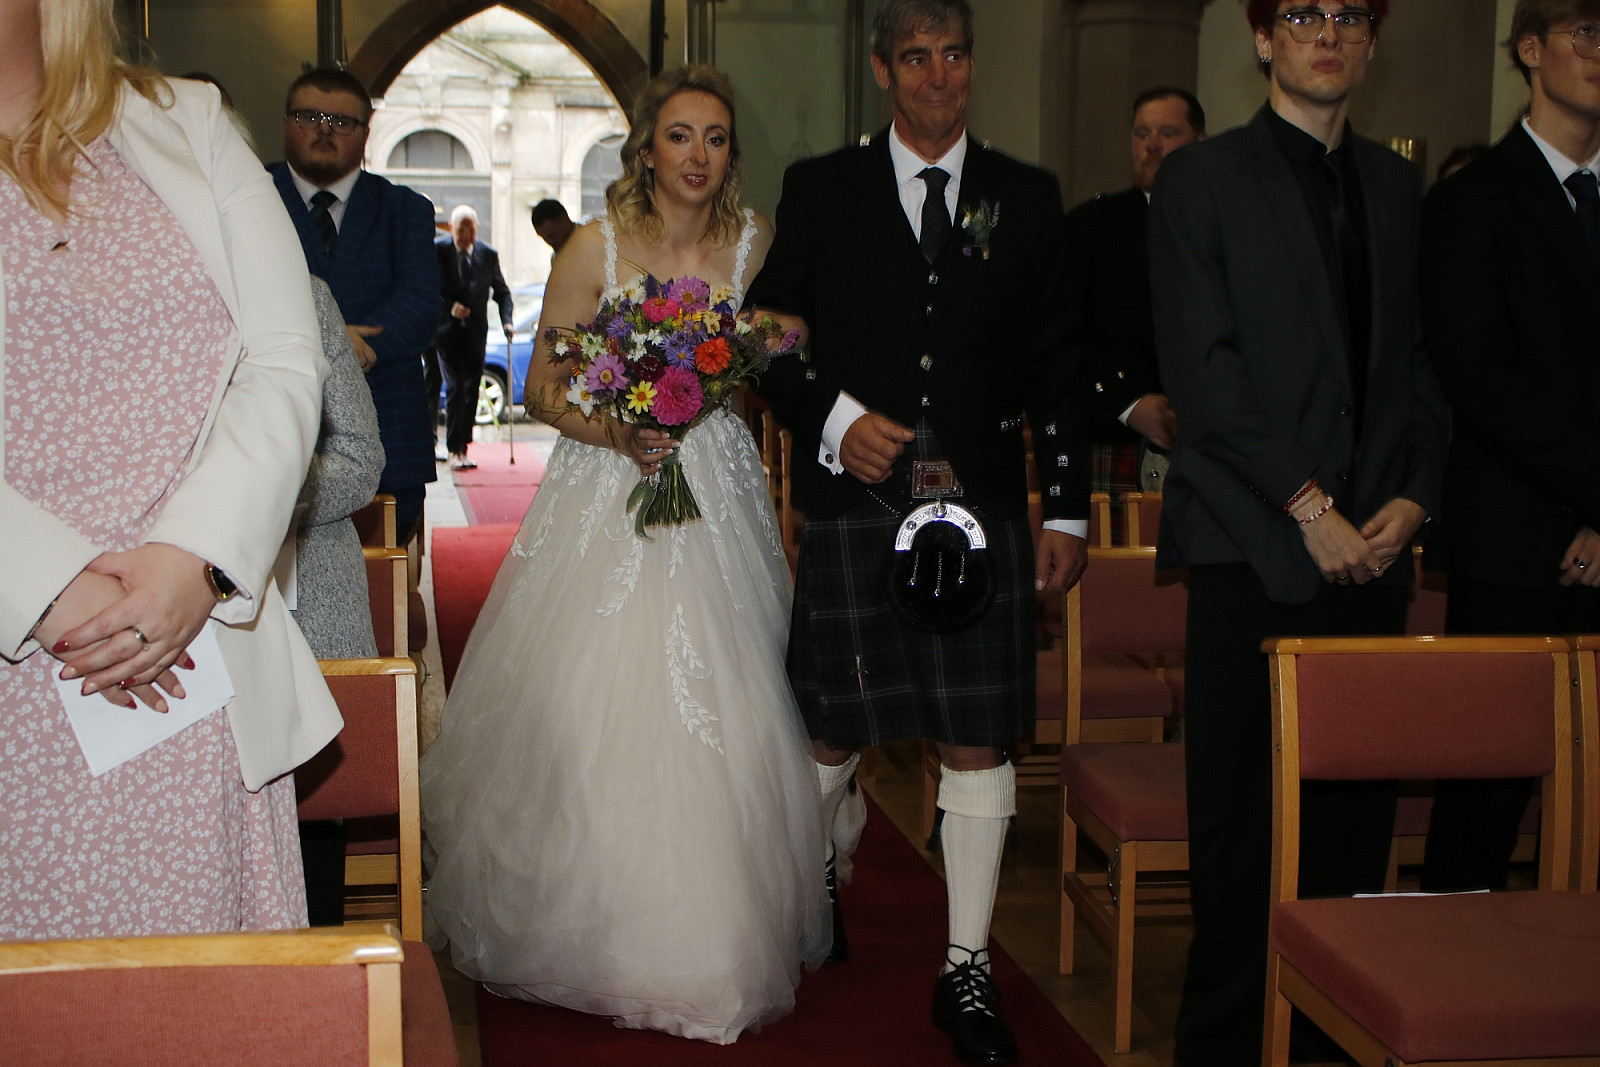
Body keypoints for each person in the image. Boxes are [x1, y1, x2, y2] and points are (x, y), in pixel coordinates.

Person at [419, 65, 830, 1044]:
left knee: (732, 690)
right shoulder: (595, 245)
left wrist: (765, 344)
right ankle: (593, 920)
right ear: (645, 149)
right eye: (679, 135)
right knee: (593, 694)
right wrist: (623, 430)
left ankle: (715, 929)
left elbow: (787, 347)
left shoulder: (757, 241)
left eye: (716, 138)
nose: (698, 155)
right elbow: (543, 388)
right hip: (609, 482)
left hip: (717, 482)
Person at [746, 2, 1088, 1062]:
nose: (938, 76)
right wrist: (834, 420)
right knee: (832, 725)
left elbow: (1057, 358)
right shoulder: (822, 187)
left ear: (969, 65)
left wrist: (1066, 505)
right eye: (916, 58)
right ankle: (810, 889)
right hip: (859, 500)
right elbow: (767, 336)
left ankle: (967, 965)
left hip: (978, 500)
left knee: (976, 730)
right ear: (884, 69)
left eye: (953, 56)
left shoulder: (1024, 195)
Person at [0, 0, 341, 940]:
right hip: (20, 654)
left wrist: (198, 558)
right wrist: (45, 585)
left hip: (191, 650)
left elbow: (284, 357)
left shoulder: (182, 122)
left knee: (194, 991)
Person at [1147, 2, 1448, 1063]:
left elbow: (1421, 363)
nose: (1329, 33)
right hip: (1252, 546)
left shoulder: (1396, 186)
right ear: (1264, 38)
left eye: (1349, 15)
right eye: (1304, 13)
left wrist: (1415, 498)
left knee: (1351, 837)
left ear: (1371, 41)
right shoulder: (1202, 177)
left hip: (1374, 552)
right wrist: (1308, 506)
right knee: (1242, 840)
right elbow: (1204, 375)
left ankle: (1328, 1046)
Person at [1419, 0, 1600, 893]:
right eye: (1586, 32)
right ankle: (1445, 966)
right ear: (1530, 48)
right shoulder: (1472, 198)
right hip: (1516, 543)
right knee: (1484, 798)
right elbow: (1482, 381)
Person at [268, 68, 438, 541]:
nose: (324, 131)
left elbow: (421, 302)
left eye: (342, 122)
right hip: (270, 433)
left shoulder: (405, 208)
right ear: (286, 122)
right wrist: (331, 339)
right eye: (309, 116)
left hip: (387, 433)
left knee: (385, 581)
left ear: (365, 133)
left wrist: (357, 349)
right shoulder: (247, 196)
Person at [1066, 87, 1204, 501]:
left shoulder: (1234, 229)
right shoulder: (1089, 227)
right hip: (1116, 440)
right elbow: (1061, 334)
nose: (1152, 145)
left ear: (1200, 141)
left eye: (1168, 132)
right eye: (1142, 133)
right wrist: (1127, 404)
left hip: (1215, 446)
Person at [433, 204, 514, 471]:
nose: (466, 235)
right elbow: (427, 289)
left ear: (476, 229)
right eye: (461, 229)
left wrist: (507, 320)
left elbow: (502, 293)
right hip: (445, 334)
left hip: (475, 335)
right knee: (455, 388)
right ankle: (452, 449)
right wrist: (449, 307)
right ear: (451, 228)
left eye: (470, 229)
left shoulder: (488, 255)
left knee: (471, 391)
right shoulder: (438, 251)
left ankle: (462, 448)